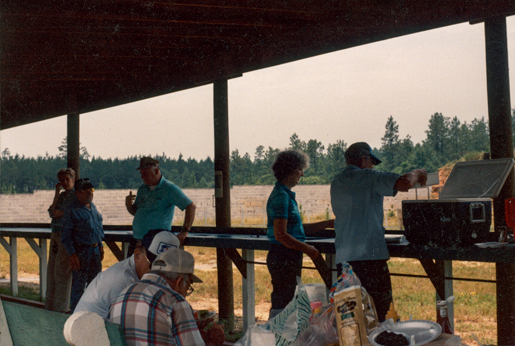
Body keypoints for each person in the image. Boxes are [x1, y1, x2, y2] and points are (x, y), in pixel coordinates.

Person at [330, 142, 427, 321]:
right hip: (370, 260)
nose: (372, 166)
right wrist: (419, 172)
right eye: (371, 162)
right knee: (381, 316)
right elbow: (404, 183)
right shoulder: (369, 176)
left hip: (344, 261)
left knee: (352, 320)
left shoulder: (336, 181)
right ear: (363, 159)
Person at [266, 150, 334, 320]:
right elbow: (281, 235)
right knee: (284, 303)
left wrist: (326, 224)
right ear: (291, 170)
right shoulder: (282, 197)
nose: (302, 174)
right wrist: (310, 250)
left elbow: (297, 230)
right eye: (300, 169)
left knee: (287, 300)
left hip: (287, 255)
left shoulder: (285, 195)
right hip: (283, 256)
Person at [74, 231, 180, 319]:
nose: (160, 274)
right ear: (137, 255)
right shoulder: (124, 280)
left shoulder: (134, 275)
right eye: (153, 265)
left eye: (167, 270)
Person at [109, 247, 205, 346]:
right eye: (188, 285)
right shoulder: (175, 301)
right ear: (179, 282)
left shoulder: (122, 295)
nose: (186, 293)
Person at [125, 157, 196, 255]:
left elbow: (191, 206)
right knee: (131, 269)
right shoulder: (142, 189)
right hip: (136, 240)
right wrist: (128, 205)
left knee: (152, 269)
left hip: (156, 242)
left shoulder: (170, 188)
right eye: (141, 174)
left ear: (156, 171)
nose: (142, 177)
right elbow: (136, 212)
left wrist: (184, 232)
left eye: (145, 173)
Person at [61, 178, 105, 312]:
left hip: (95, 251)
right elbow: (66, 237)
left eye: (92, 190)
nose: (91, 194)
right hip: (81, 253)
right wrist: (72, 254)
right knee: (79, 286)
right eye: (87, 191)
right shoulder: (71, 210)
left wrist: (101, 245)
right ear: (78, 193)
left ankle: (93, 313)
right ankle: (76, 315)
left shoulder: (93, 207)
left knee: (95, 285)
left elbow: (97, 228)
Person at [45, 167, 76, 312]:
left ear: (73, 179)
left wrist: (59, 213)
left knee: (62, 272)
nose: (64, 182)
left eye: (67, 179)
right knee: (52, 270)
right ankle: (51, 305)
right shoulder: (62, 195)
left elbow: (72, 212)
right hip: (55, 233)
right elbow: (52, 212)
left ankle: (61, 307)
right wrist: (57, 192)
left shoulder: (77, 195)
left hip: (66, 234)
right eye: (61, 180)